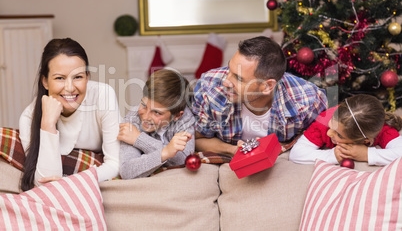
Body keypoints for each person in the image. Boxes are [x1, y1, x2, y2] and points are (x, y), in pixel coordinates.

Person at [191, 36, 328, 156]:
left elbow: (320, 139)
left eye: (238, 78)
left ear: (267, 86)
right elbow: (198, 139)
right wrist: (232, 150)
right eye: (229, 70)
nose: (226, 81)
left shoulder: (308, 100)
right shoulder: (208, 87)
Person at [19, 38, 120, 191]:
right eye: (59, 78)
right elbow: (45, 184)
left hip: (81, 181)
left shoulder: (103, 95)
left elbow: (115, 163)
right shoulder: (28, 118)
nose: (70, 88)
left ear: (87, 76)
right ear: (45, 81)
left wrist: (71, 182)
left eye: (78, 77)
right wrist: (47, 124)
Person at [118, 69, 195, 179]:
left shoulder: (185, 118)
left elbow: (184, 159)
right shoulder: (132, 120)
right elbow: (127, 171)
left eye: (157, 112)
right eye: (144, 105)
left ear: (177, 116)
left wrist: (139, 139)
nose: (146, 117)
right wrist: (166, 152)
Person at [289, 94, 402, 166]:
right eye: (331, 125)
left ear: (365, 141)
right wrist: (332, 155)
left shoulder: (383, 130)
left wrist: (366, 154)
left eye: (339, 135)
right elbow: (296, 153)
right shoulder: (323, 123)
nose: (329, 133)